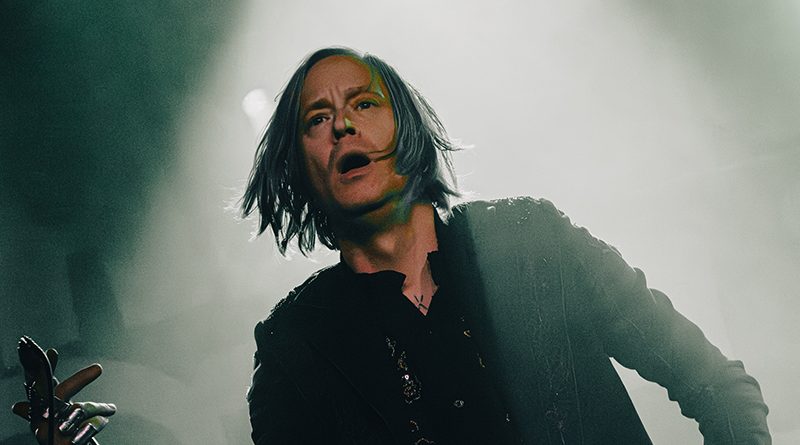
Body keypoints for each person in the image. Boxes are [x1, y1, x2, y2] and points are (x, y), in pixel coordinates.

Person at [241, 47, 771, 444]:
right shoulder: (296, 347)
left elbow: (717, 385)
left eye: (364, 102)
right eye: (317, 119)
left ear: (409, 130)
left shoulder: (532, 241)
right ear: (298, 169)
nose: (342, 124)